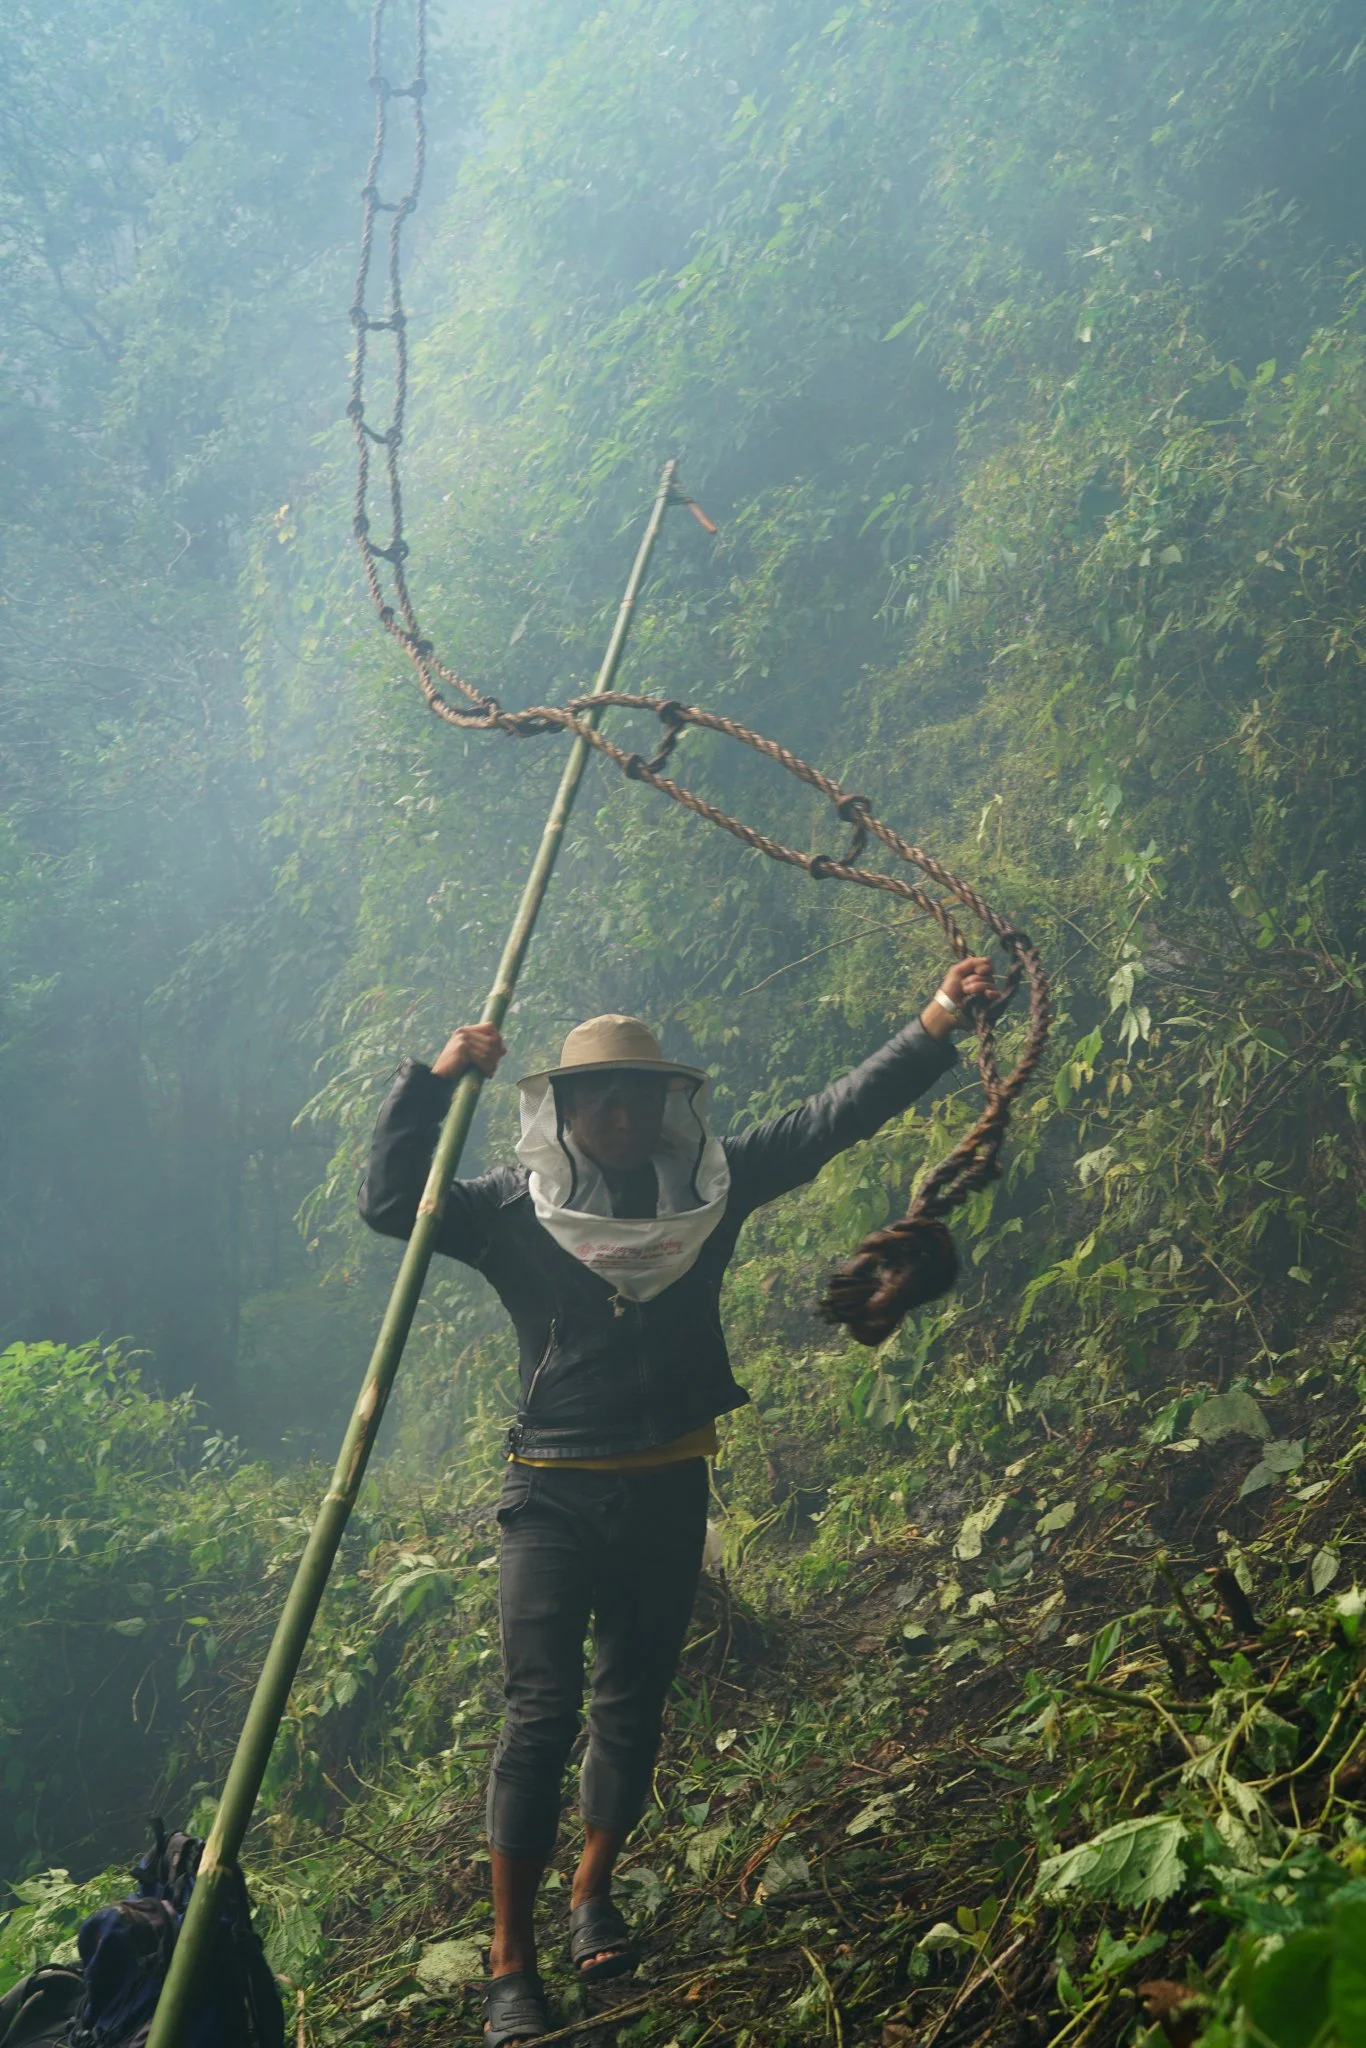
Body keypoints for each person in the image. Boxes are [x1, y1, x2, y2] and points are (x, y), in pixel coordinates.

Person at [358, 957, 998, 2045]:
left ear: (666, 1104)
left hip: (666, 1478)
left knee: (634, 1695)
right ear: (560, 1107)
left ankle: (590, 1891)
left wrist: (938, 1018)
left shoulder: (713, 1184)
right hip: (550, 1491)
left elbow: (834, 1117)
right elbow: (388, 1208)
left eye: (637, 1092)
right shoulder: (510, 1210)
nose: (617, 1110)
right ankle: (509, 1964)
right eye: (596, 1094)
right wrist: (429, 1078)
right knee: (536, 1715)